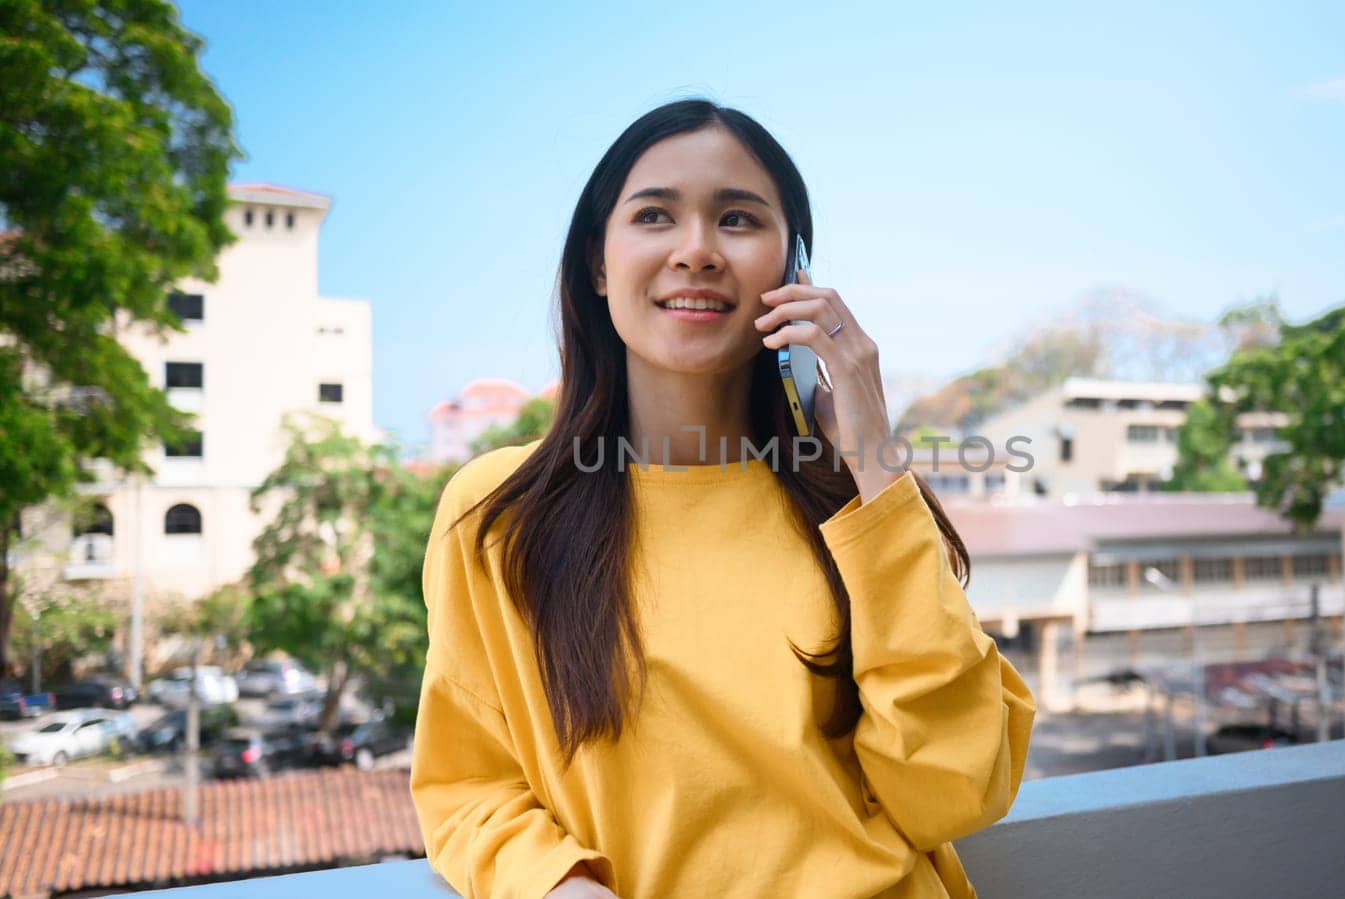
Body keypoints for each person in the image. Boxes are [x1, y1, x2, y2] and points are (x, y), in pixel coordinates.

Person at [410, 98, 1035, 899]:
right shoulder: (497, 510)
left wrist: (874, 456)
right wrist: (554, 882)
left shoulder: (857, 501)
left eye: (737, 219)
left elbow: (957, 788)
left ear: (793, 272)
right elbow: (467, 786)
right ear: (598, 264)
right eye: (655, 216)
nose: (697, 251)